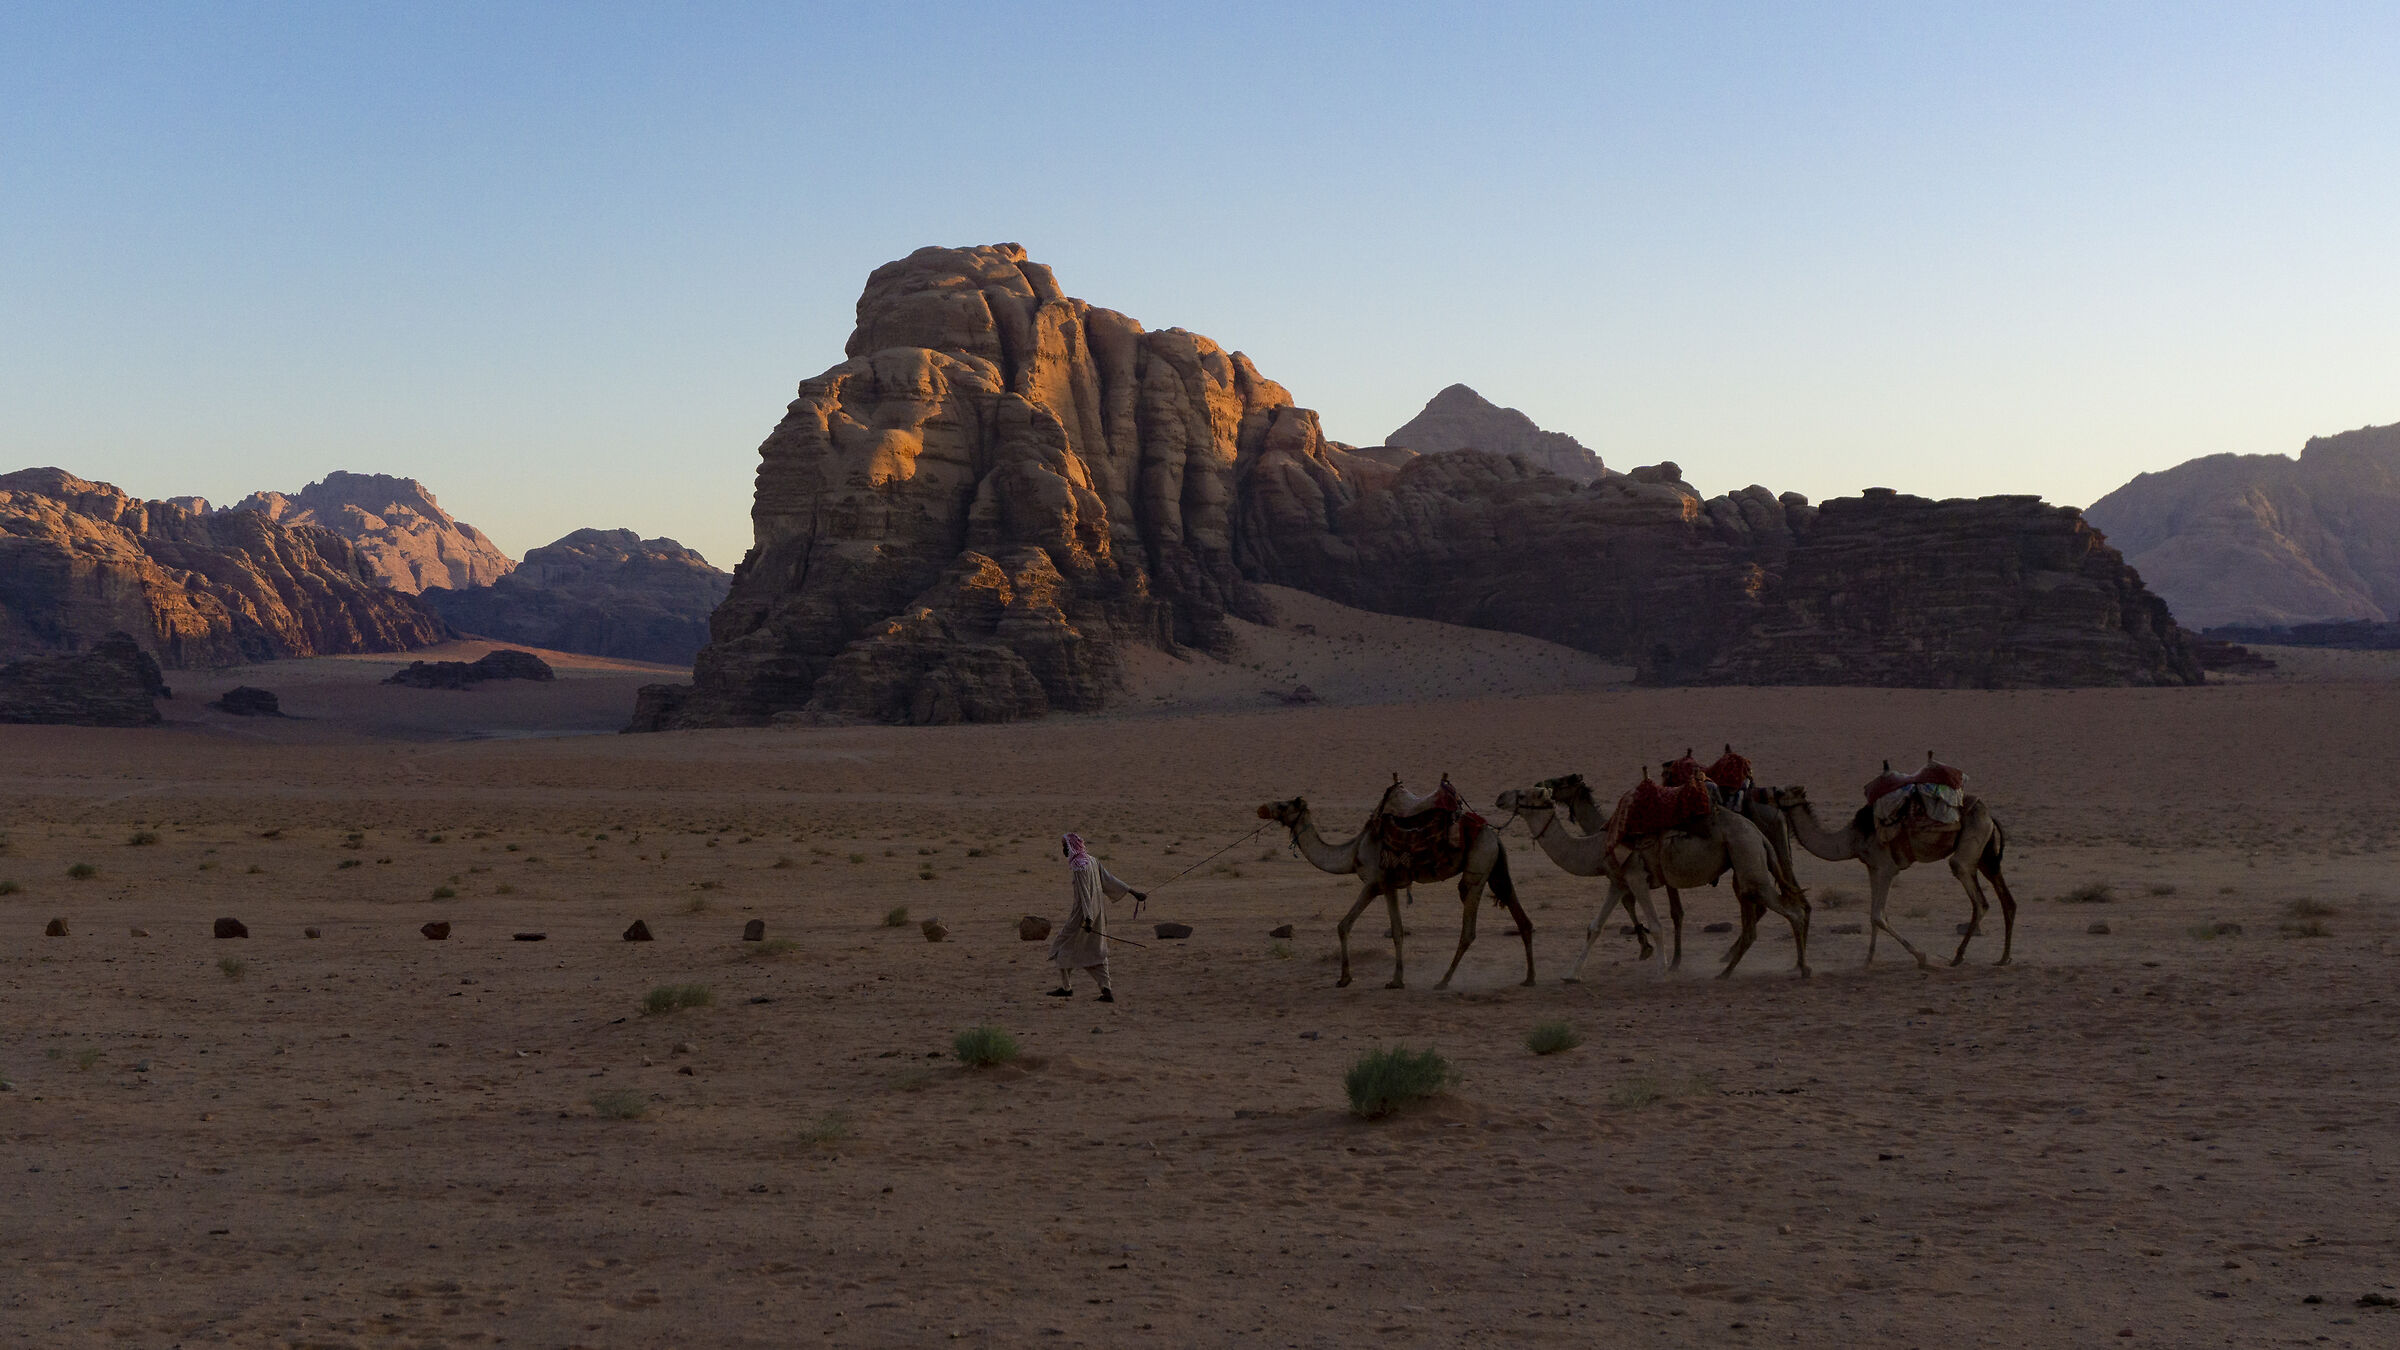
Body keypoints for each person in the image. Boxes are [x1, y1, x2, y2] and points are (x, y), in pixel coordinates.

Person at [1048, 832, 1145, 1002]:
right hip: (1098, 913)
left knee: (1062, 947)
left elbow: (1085, 893)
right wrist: (1133, 892)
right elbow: (1110, 880)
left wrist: (1087, 919)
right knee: (1096, 950)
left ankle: (1066, 988)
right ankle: (1106, 990)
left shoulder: (1079, 866)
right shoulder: (1092, 860)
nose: (1064, 850)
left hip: (1083, 916)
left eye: (1065, 847)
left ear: (1071, 847)